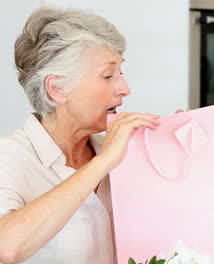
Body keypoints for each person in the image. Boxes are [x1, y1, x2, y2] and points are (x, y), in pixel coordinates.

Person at [0, 7, 161, 263]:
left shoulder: (127, 150)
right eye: (108, 75)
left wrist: (183, 148)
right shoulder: (8, 158)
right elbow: (6, 247)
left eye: (121, 72)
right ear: (57, 89)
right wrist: (103, 162)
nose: (125, 88)